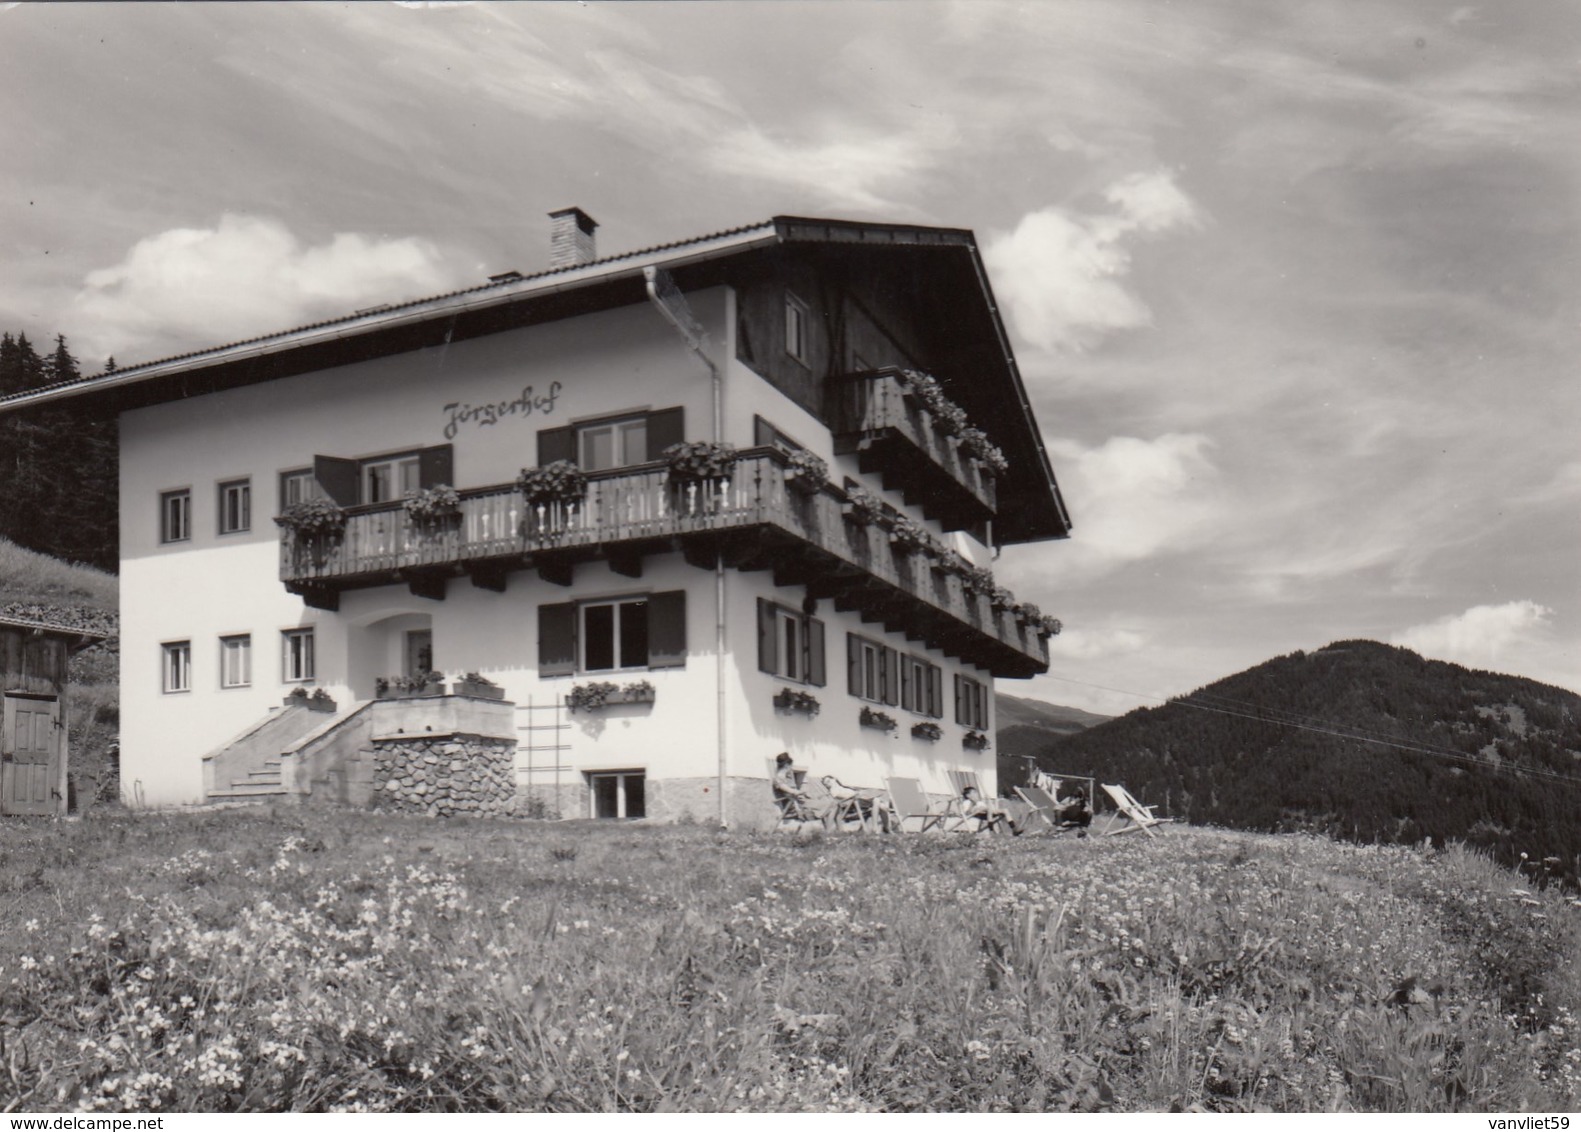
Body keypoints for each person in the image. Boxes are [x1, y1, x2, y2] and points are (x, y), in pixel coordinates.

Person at [773, 753, 821, 823]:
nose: (791, 768)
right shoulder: (779, 778)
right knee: (826, 807)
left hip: (795, 802)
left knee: (827, 806)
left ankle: (831, 831)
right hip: (791, 807)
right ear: (786, 765)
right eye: (791, 766)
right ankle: (830, 831)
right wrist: (802, 792)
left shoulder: (783, 777)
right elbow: (791, 791)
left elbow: (792, 792)